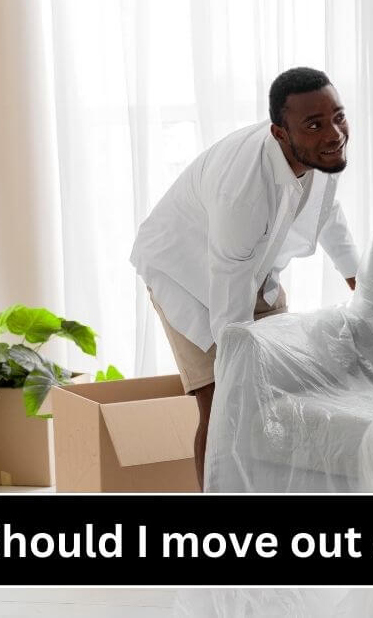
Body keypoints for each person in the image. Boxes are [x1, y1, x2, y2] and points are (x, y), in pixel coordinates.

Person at [130, 67, 359, 487]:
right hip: (187, 274)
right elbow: (231, 309)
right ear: (279, 133)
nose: (334, 133)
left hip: (252, 265)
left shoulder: (323, 149)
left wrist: (357, 280)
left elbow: (329, 213)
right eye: (314, 124)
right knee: (221, 403)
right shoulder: (244, 190)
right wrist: (238, 368)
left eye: (338, 116)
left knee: (286, 390)